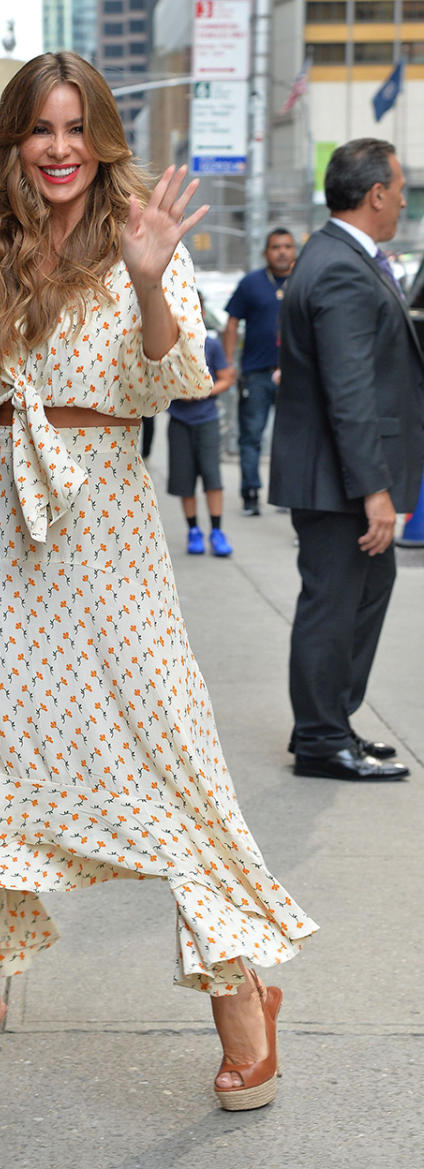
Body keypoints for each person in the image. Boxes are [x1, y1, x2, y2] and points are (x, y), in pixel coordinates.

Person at [0, 52, 317, 1119]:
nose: (59, 148)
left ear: (101, 138)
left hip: (109, 526)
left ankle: (242, 996)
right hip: (1, 537)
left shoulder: (142, 241)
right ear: (13, 143)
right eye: (40, 129)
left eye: (76, 127)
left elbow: (173, 377)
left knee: (166, 757)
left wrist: (141, 277)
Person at [270, 138, 424, 781]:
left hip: (339, 477)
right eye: (402, 187)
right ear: (377, 194)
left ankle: (331, 721)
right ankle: (320, 739)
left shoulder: (340, 256)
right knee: (333, 602)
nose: (405, 199)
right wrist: (376, 491)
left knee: (367, 589)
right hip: (340, 481)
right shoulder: (338, 265)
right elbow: (349, 388)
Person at [223, 228, 296, 515]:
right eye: (276, 246)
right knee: (251, 436)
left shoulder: (303, 281)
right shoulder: (251, 283)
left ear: (294, 251)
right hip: (257, 373)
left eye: (287, 246)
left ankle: (289, 495)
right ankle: (250, 494)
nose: (282, 251)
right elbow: (231, 323)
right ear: (266, 252)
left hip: (296, 375)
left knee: (292, 437)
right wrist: (228, 364)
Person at [167, 293, 236, 555]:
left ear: (202, 314)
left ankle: (217, 530)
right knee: (185, 479)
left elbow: (227, 377)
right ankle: (193, 530)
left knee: (212, 476)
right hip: (179, 420)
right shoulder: (168, 347)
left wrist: (205, 390)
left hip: (206, 419)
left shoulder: (212, 345)